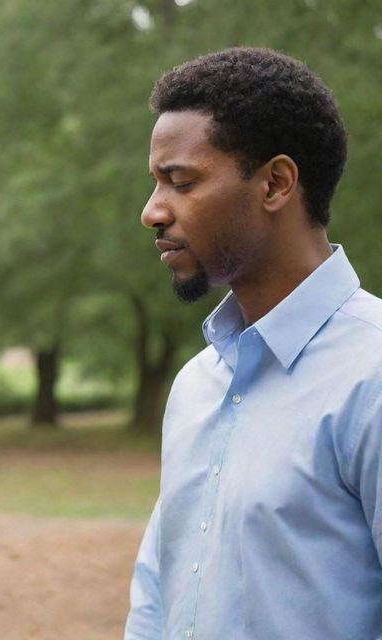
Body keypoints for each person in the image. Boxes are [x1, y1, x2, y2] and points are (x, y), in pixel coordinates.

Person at [124, 47, 382, 640]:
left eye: (180, 181)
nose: (152, 212)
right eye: (155, 182)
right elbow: (159, 585)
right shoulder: (196, 384)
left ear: (275, 183)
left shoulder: (370, 377)